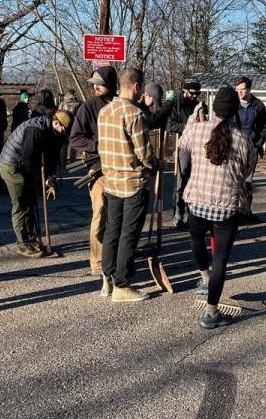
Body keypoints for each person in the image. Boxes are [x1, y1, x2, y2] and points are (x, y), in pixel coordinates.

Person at [179, 87, 257, 329]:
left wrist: (193, 120)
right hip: (226, 205)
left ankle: (204, 278)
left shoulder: (197, 129)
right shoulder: (244, 140)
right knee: (220, 258)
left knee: (196, 239)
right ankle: (211, 312)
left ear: (213, 109)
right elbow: (247, 172)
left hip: (197, 200)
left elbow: (182, 146)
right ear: (235, 111)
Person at [98, 68, 157, 302]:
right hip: (132, 183)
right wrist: (158, 165)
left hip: (110, 181)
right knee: (128, 234)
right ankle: (121, 284)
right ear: (137, 86)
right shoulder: (134, 114)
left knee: (112, 230)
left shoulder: (104, 111)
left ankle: (107, 278)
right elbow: (144, 154)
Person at [0, 109, 72, 258]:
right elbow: (27, 159)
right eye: (64, 129)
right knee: (22, 205)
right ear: (56, 122)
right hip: (12, 166)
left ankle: (32, 239)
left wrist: (50, 176)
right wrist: (41, 178)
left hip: (27, 165)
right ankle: (24, 244)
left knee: (31, 202)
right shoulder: (35, 130)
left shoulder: (57, 134)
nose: (65, 134)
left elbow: (52, 157)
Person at [69, 65, 118, 282]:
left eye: (100, 83)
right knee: (100, 213)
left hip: (120, 166)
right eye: (94, 84)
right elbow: (75, 139)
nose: (96, 87)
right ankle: (97, 262)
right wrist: (99, 144)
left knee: (118, 216)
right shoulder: (87, 108)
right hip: (97, 166)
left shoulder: (120, 105)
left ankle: (115, 257)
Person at [167, 80, 207, 228]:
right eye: (192, 93)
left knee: (195, 179)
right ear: (184, 90)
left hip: (196, 146)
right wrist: (189, 127)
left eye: (197, 94)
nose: (194, 96)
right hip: (182, 145)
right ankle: (178, 214)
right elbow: (171, 125)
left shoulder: (198, 105)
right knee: (182, 178)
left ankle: (193, 214)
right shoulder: (177, 105)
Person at [234, 76, 266, 224]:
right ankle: (234, 211)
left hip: (252, 147)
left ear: (249, 89)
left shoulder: (258, 106)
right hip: (235, 147)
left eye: (243, 90)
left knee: (247, 181)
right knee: (235, 180)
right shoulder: (233, 105)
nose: (240, 93)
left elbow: (265, 126)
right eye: (238, 90)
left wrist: (259, 142)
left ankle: (246, 211)